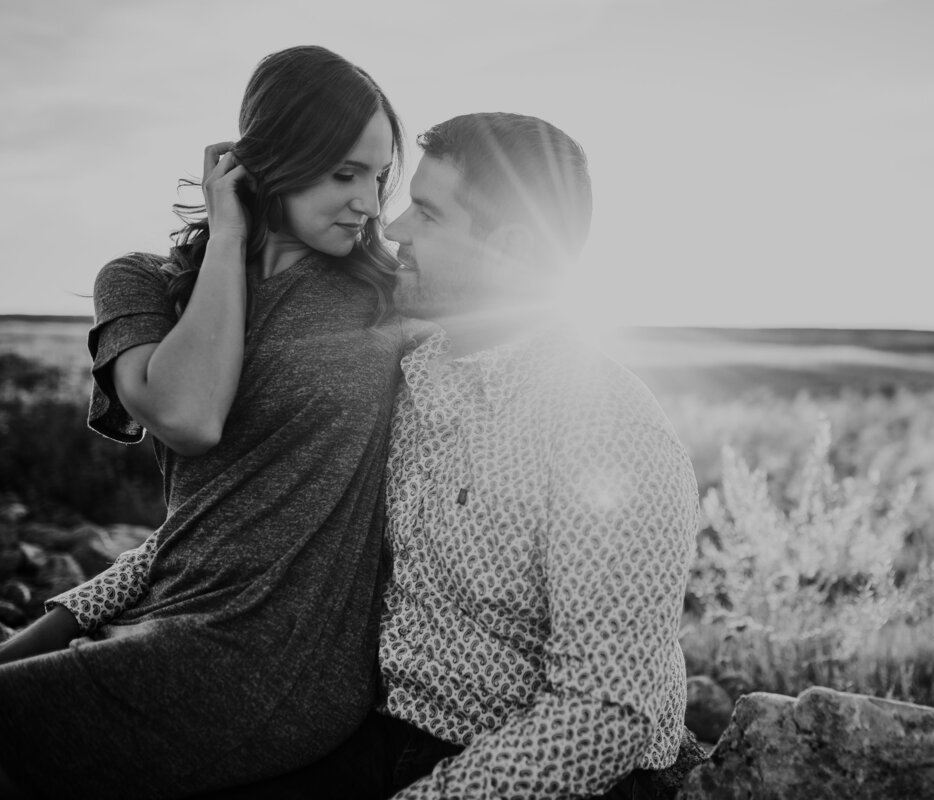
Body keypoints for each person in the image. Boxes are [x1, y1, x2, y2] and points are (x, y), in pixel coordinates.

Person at [206, 112, 707, 799]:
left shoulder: (607, 426)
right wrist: (85, 613)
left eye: (430, 214)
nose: (397, 228)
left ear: (512, 250)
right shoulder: (401, 372)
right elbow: (249, 507)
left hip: (532, 773)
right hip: (366, 733)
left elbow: (604, 717)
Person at [0, 45, 407, 798]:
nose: (370, 204)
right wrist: (227, 238)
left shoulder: (384, 297)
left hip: (280, 661)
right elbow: (190, 416)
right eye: (344, 173)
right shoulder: (142, 284)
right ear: (270, 159)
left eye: (379, 177)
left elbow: (190, 422)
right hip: (169, 623)